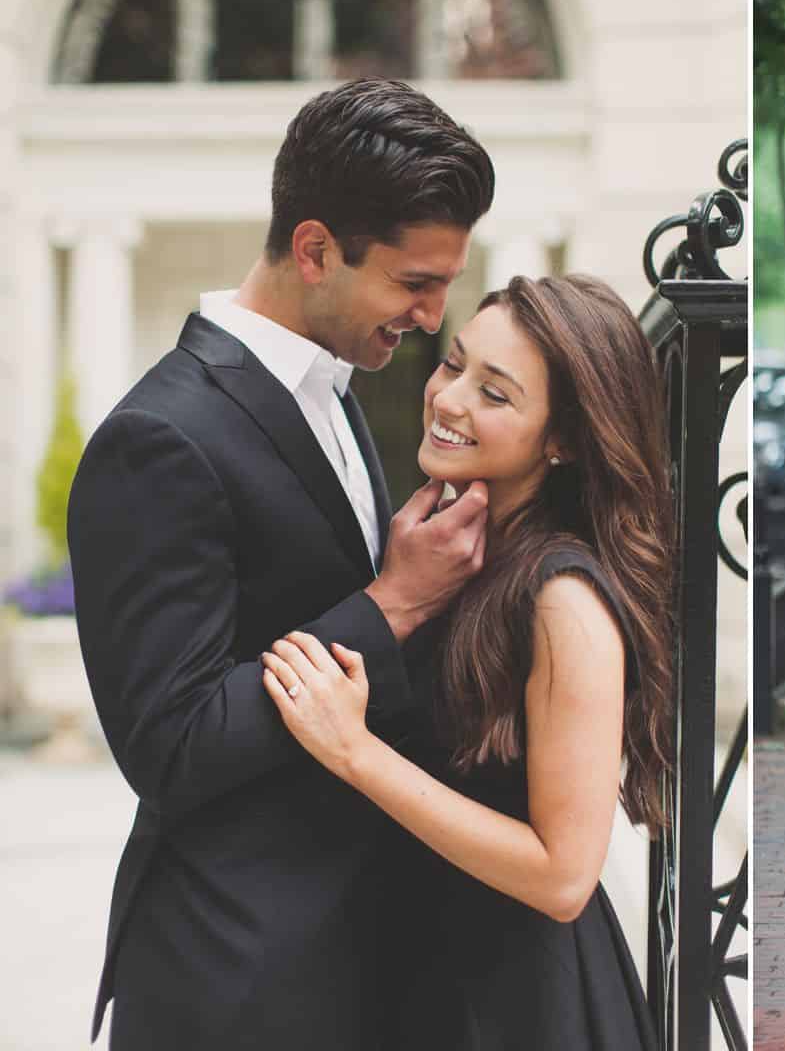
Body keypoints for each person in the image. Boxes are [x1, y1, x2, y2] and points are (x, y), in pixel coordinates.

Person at [68, 78, 496, 1049]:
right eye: (412, 282)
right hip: (238, 976)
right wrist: (386, 606)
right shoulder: (156, 439)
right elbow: (169, 746)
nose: (432, 315)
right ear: (313, 250)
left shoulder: (337, 397)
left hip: (360, 955)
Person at [260, 274, 673, 1050]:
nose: (449, 399)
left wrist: (355, 752)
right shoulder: (462, 556)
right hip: (422, 977)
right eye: (454, 364)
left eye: (496, 393)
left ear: (563, 439)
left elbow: (563, 876)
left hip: (515, 1006)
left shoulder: (563, 600)